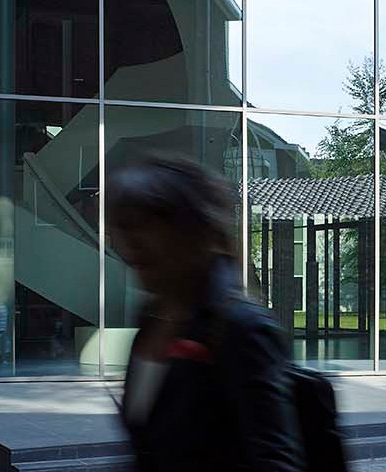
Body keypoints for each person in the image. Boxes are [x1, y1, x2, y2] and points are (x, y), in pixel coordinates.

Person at [109, 156, 304, 471]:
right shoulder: (150, 318)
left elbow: (276, 463)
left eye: (145, 225)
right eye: (125, 227)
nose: (129, 244)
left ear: (193, 232)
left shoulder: (241, 328)